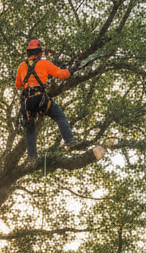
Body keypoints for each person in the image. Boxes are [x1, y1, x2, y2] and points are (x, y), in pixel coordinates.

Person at [16, 38, 103, 167]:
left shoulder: (22, 66)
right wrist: (70, 70)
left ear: (29, 52)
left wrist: (31, 79)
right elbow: (63, 74)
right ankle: (69, 141)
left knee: (29, 128)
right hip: (40, 98)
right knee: (59, 116)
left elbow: (18, 85)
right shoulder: (44, 64)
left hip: (27, 102)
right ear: (39, 52)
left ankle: (32, 158)